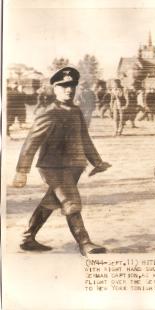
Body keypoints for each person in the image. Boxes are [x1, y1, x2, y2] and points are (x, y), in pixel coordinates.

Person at [12, 67, 111, 256]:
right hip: (53, 167)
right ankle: (84, 242)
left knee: (51, 201)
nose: (69, 90)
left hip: (74, 167)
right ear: (55, 89)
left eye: (72, 85)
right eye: (64, 86)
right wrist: (21, 170)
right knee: (71, 200)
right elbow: (31, 142)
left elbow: (84, 138)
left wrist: (97, 162)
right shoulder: (49, 112)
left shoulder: (75, 111)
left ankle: (27, 238)